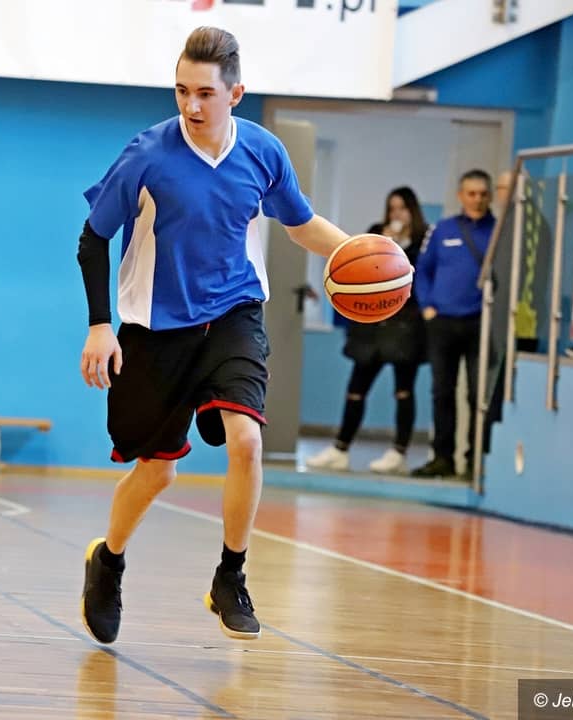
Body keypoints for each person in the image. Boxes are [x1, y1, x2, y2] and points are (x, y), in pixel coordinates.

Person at [77, 26, 350, 644]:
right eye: (182, 91)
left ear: (236, 94)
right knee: (157, 472)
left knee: (246, 440)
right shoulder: (147, 155)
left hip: (233, 314)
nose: (191, 105)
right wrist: (99, 326)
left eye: (204, 93)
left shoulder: (263, 152)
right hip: (156, 328)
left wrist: (360, 249)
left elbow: (301, 224)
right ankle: (108, 561)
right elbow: (93, 238)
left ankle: (231, 576)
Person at [306, 187, 428, 475]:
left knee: (403, 391)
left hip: (405, 327)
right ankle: (340, 448)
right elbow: (363, 267)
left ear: (412, 210)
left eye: (403, 208)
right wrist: (388, 241)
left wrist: (401, 249)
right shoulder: (376, 234)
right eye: (392, 208)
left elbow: (419, 276)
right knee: (356, 389)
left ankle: (399, 452)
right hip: (372, 329)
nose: (397, 214)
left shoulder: (423, 239)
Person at [411, 169, 495, 479]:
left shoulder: (498, 231)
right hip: (442, 322)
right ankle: (442, 458)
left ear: (490, 196)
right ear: (461, 196)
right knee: (442, 392)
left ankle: (475, 460)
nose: (477, 199)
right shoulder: (443, 230)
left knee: (477, 394)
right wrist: (427, 307)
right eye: (471, 193)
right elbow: (422, 270)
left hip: (479, 323)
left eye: (483, 194)